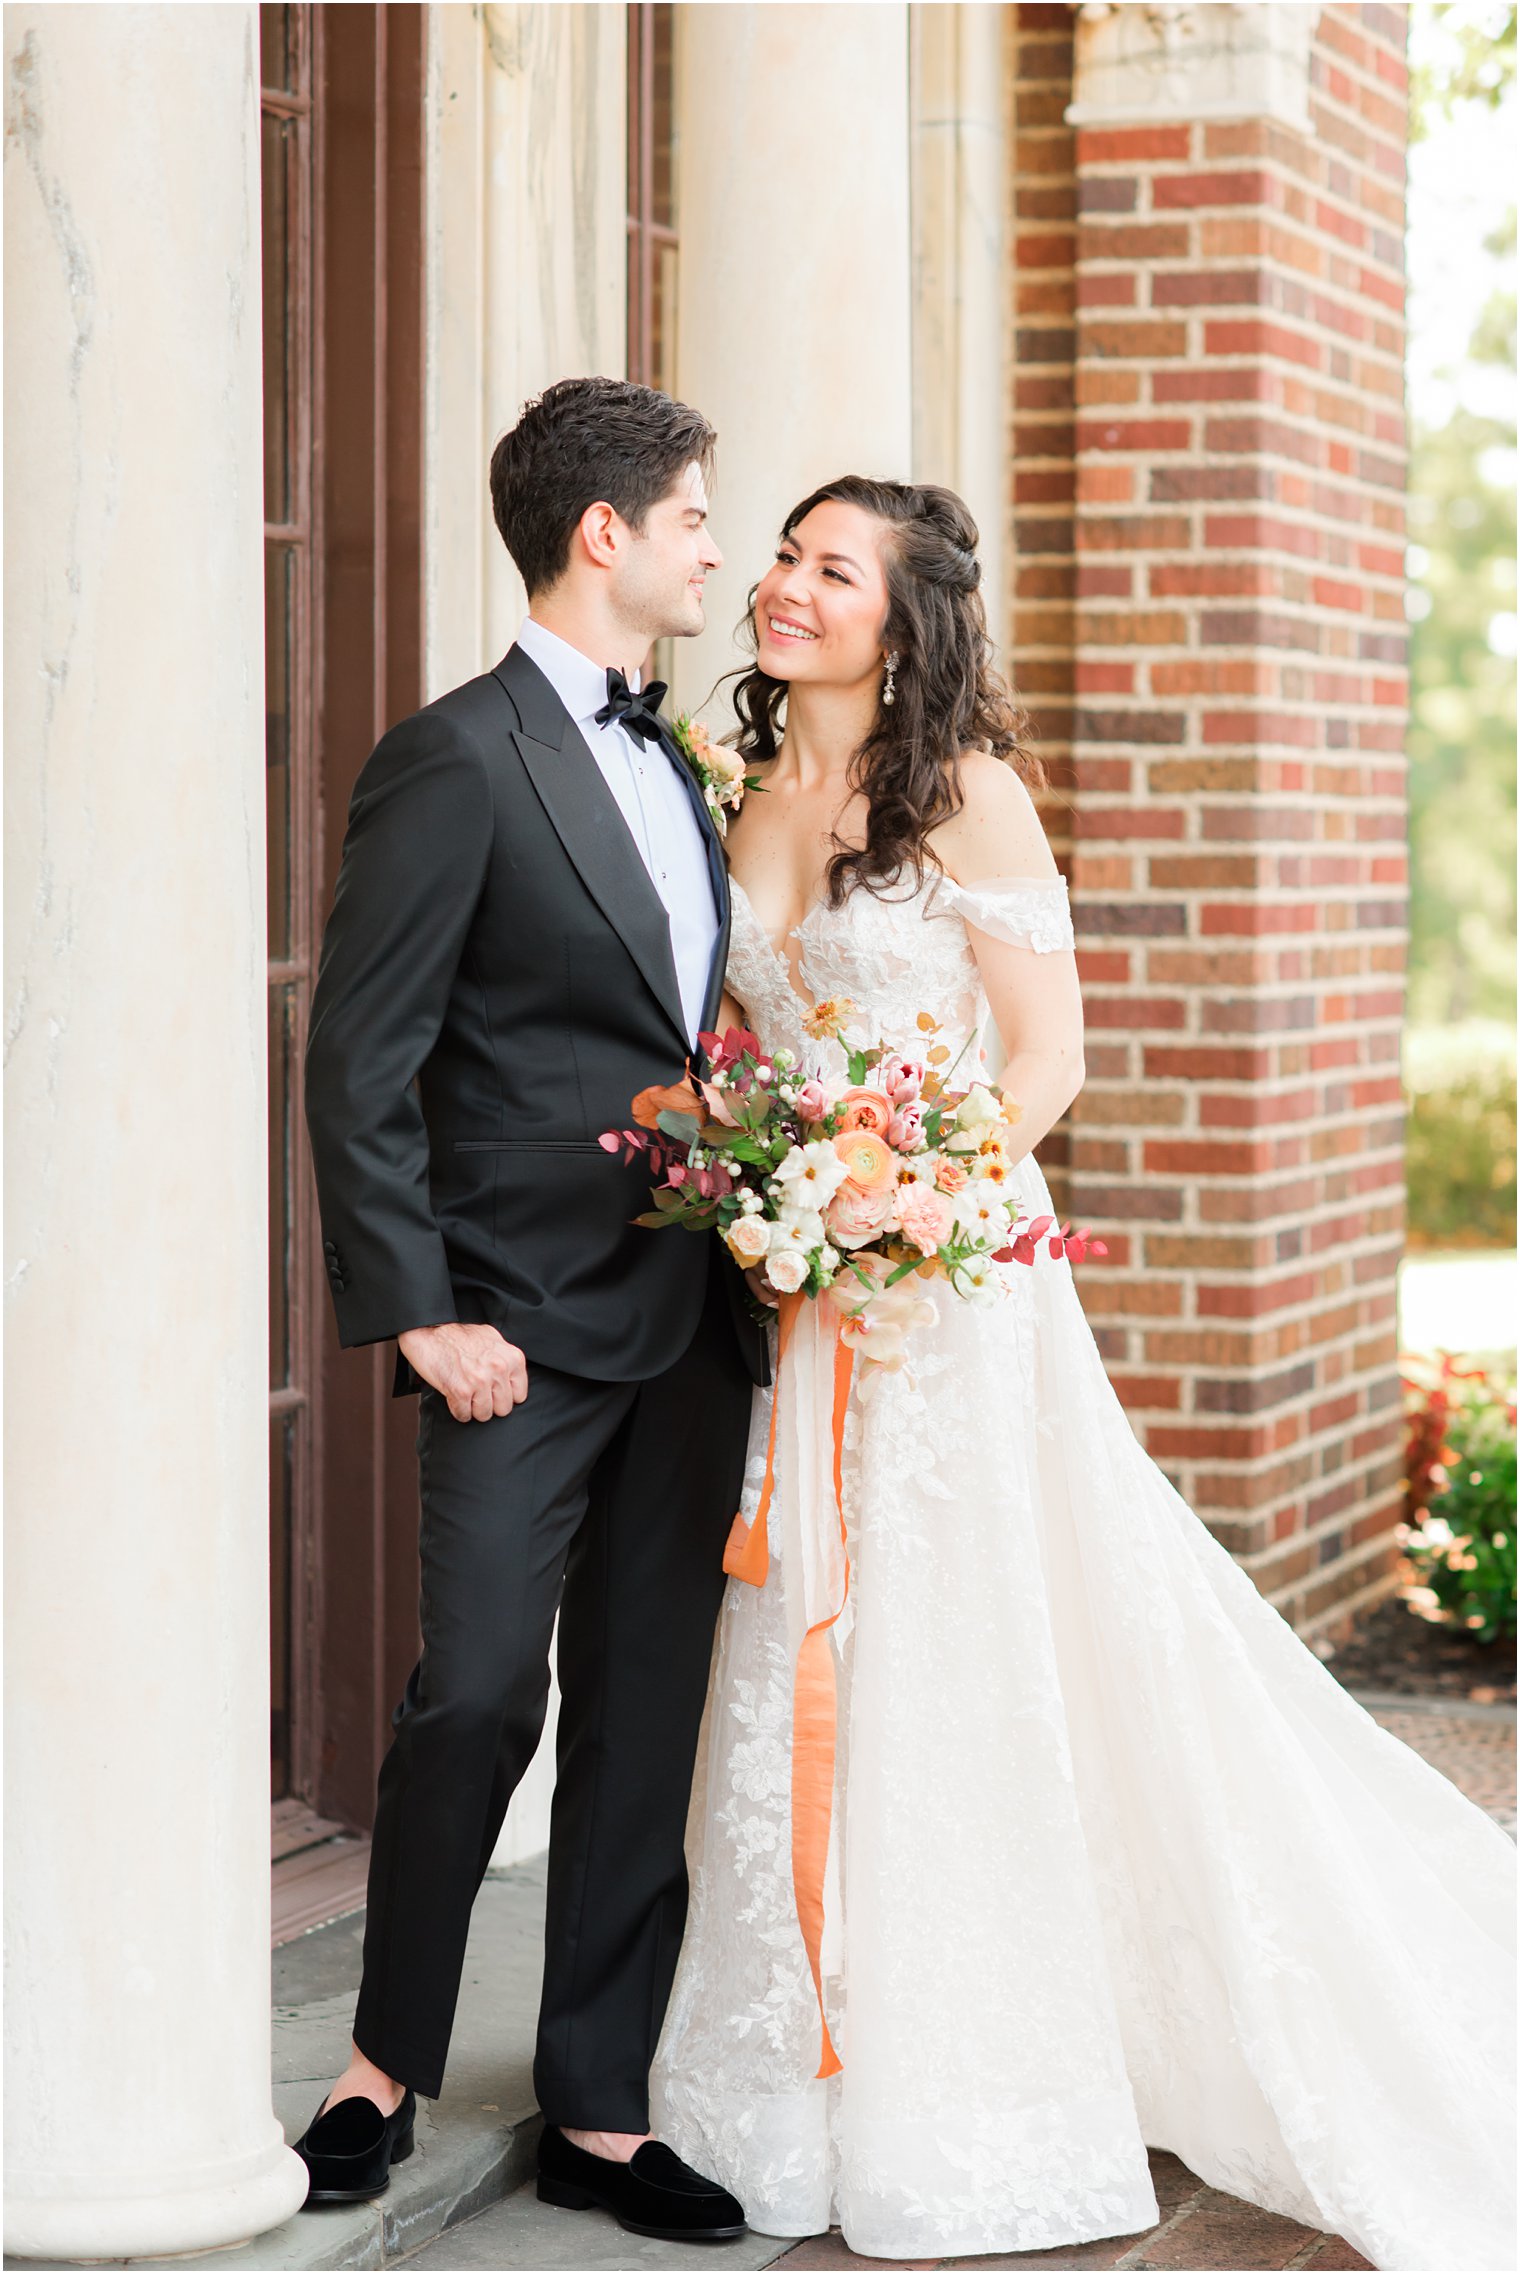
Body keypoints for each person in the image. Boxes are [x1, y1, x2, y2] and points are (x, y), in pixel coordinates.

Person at [647, 475, 1516, 2273]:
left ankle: (973, 2064)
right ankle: (804, 2056)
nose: (788, 588)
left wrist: (898, 1201)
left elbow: (1049, 1060)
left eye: (831, 568)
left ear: (908, 619)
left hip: (954, 1299)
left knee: (976, 1645)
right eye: (785, 558)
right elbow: (741, 1040)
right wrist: (767, 1178)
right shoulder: (746, 789)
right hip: (807, 1296)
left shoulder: (963, 793)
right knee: (821, 1627)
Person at [296, 376, 765, 2243]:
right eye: (700, 518)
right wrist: (422, 1312)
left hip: (693, 1323)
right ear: (608, 535)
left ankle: (598, 2106)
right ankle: (380, 2060)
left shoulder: (682, 765)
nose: (716, 550)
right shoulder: (454, 755)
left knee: (647, 1717)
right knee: (479, 1690)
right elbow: (360, 1053)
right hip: (514, 1328)